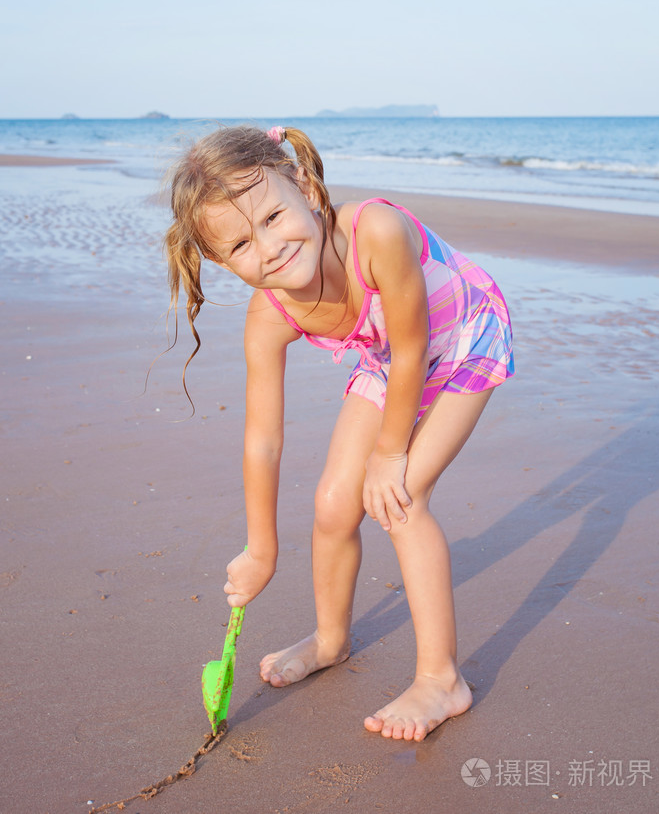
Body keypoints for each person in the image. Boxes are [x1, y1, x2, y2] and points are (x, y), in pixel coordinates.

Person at [164, 124, 514, 742]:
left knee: (400, 498)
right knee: (332, 504)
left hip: (461, 335)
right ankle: (331, 639)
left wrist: (390, 453)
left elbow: (414, 347)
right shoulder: (268, 316)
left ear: (304, 188)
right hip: (388, 356)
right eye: (241, 243)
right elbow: (262, 440)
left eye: (273, 217)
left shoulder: (374, 231)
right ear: (219, 261)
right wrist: (261, 549)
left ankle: (441, 679)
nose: (270, 247)